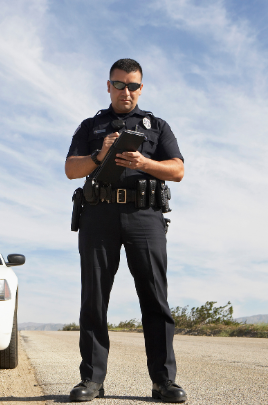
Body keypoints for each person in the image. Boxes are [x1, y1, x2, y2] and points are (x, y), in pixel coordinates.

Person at [64, 59, 187, 403]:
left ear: (141, 88)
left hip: (144, 216)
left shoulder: (157, 125)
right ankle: (91, 381)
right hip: (98, 216)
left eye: (132, 85)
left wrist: (144, 164)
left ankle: (164, 382)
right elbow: (71, 169)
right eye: (119, 85)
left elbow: (177, 169)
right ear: (108, 86)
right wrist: (99, 154)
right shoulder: (92, 125)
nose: (126, 91)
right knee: (94, 298)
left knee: (155, 299)